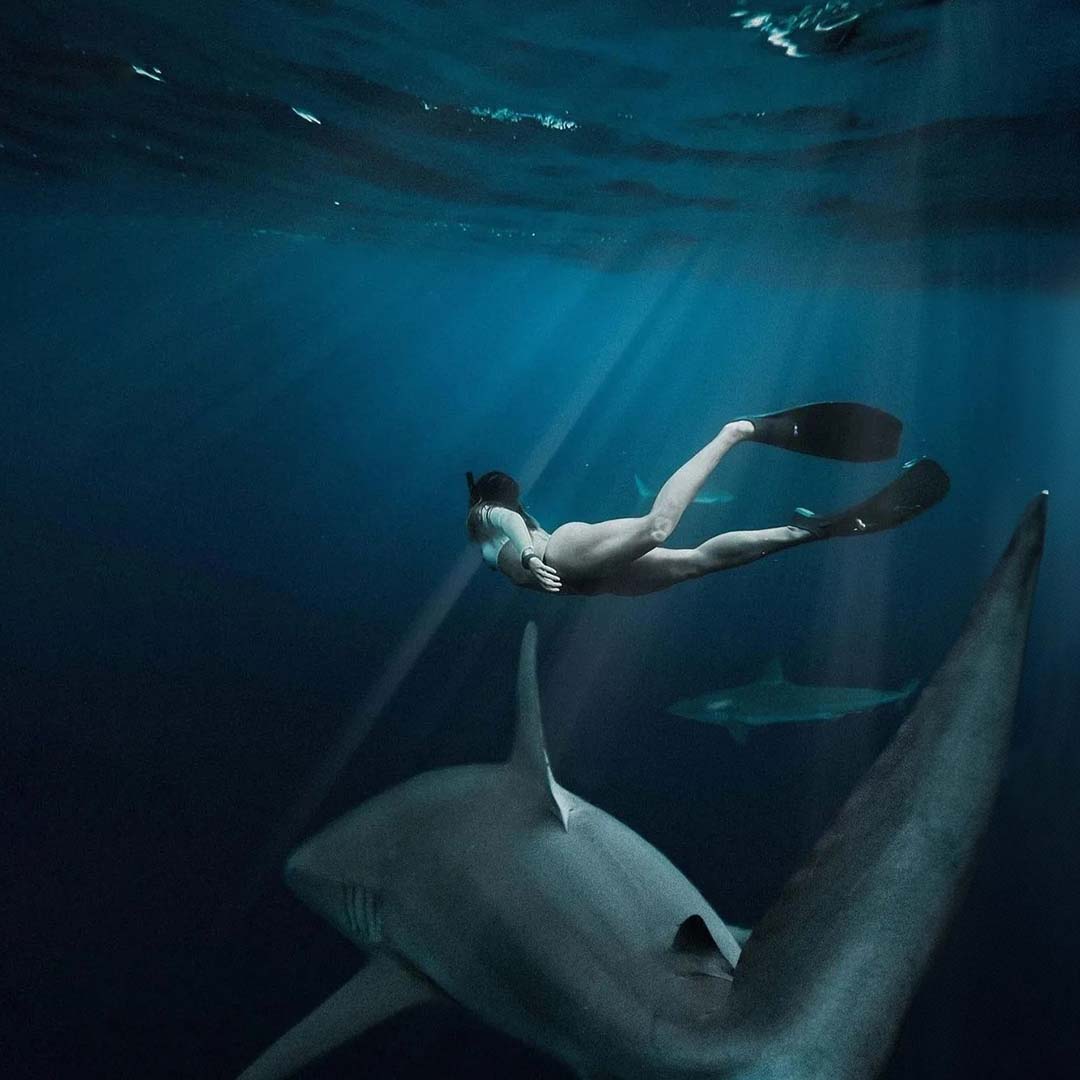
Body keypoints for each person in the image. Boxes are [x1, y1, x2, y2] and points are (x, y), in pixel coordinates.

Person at [466, 402, 949, 597]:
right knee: (699, 563)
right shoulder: (496, 516)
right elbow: (511, 515)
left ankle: (735, 432)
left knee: (657, 526)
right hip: (585, 581)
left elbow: (506, 520)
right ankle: (818, 527)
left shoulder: (484, 516)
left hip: (562, 555)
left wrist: (529, 552)